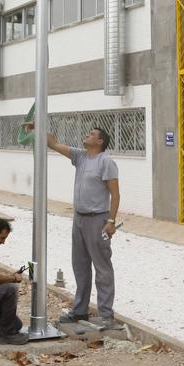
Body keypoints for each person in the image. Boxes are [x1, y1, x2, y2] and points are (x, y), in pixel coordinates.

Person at [46, 125, 122, 329]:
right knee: (80, 266)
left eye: (92, 134)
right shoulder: (80, 157)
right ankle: (80, 310)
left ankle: (106, 314)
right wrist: (37, 126)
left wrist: (111, 221)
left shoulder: (105, 162)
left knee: (102, 267)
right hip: (79, 219)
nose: (87, 135)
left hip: (98, 220)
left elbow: (115, 193)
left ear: (100, 142)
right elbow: (51, 143)